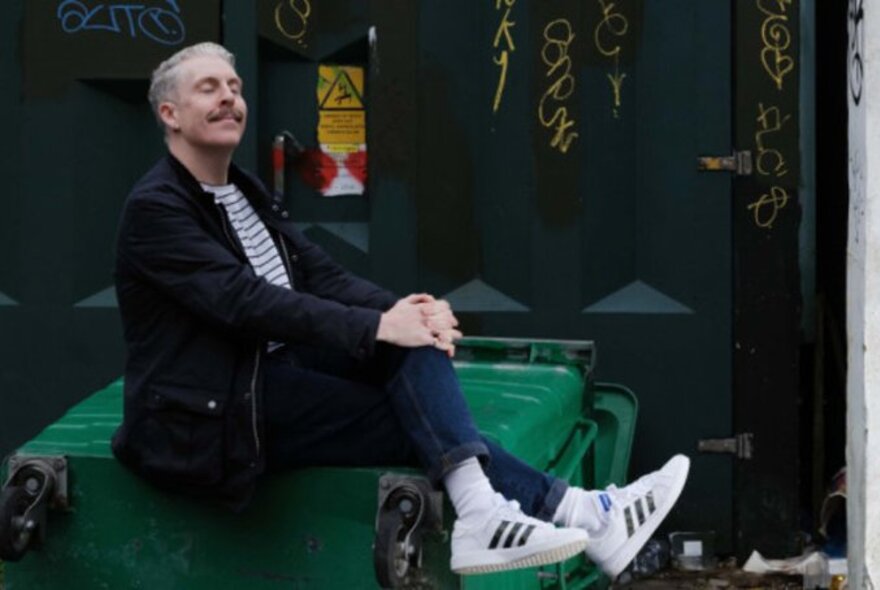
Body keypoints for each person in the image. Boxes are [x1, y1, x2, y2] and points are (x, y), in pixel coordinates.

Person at [112, 41, 689, 578]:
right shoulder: (156, 209)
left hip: (266, 373)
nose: (230, 99)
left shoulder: (242, 190)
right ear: (170, 114)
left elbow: (318, 273)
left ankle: (530, 515)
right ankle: (580, 514)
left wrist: (404, 310)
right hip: (207, 409)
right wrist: (378, 325)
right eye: (209, 88)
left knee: (414, 345)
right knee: (421, 421)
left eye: (234, 87)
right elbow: (245, 302)